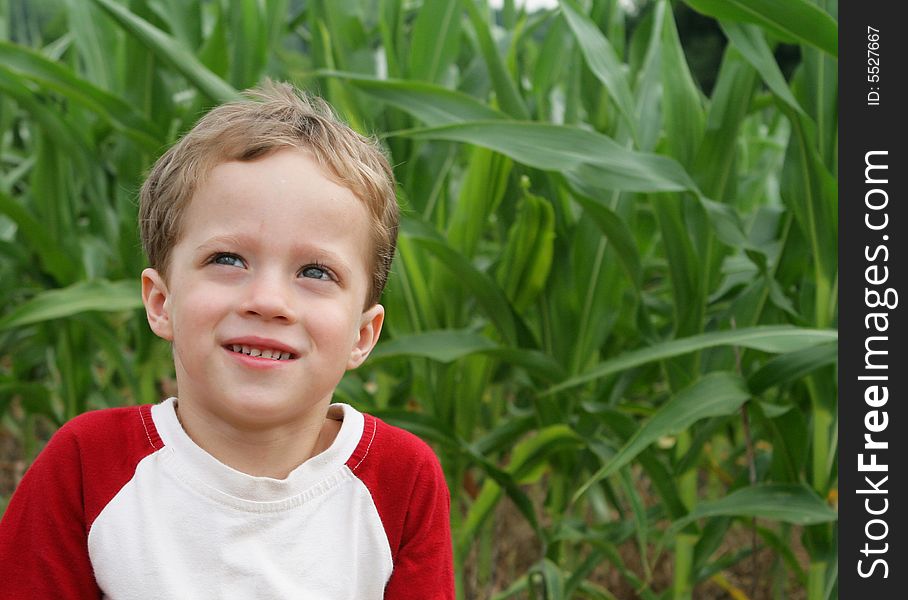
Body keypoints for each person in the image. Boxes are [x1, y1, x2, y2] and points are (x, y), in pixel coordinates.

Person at [0, 81, 454, 599]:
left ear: (362, 334)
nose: (267, 300)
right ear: (160, 302)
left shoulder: (401, 480)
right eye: (228, 260)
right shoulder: (86, 464)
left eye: (315, 271)